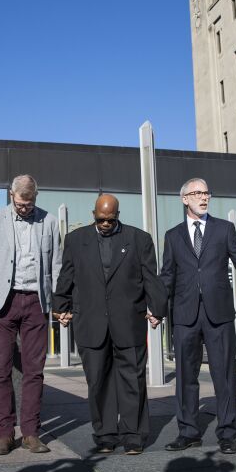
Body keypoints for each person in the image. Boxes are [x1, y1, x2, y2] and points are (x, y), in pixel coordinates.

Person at [159, 178, 236, 454]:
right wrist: (157, 308)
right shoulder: (173, 236)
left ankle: (227, 433)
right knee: (186, 376)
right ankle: (188, 432)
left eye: (206, 192)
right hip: (185, 314)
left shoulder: (224, 229)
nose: (203, 197)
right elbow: (167, 276)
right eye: (196, 193)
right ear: (184, 199)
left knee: (224, 374)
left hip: (218, 312)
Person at [53, 194, 167, 454]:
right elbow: (66, 275)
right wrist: (60, 306)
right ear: (94, 213)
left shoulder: (139, 239)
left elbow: (151, 277)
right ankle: (105, 435)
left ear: (118, 215)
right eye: (101, 219)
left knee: (132, 381)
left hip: (128, 321)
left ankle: (133, 435)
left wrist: (157, 309)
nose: (105, 224)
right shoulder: (75, 240)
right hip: (90, 322)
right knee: (98, 382)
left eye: (110, 220)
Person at [0, 174, 62, 455]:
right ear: (11, 195)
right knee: (0, 371)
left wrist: (60, 303)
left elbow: (57, 265)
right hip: (2, 304)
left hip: (36, 302)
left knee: (34, 371)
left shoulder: (49, 221)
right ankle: (4, 435)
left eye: (30, 203)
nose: (25, 208)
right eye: (21, 204)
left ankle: (31, 433)